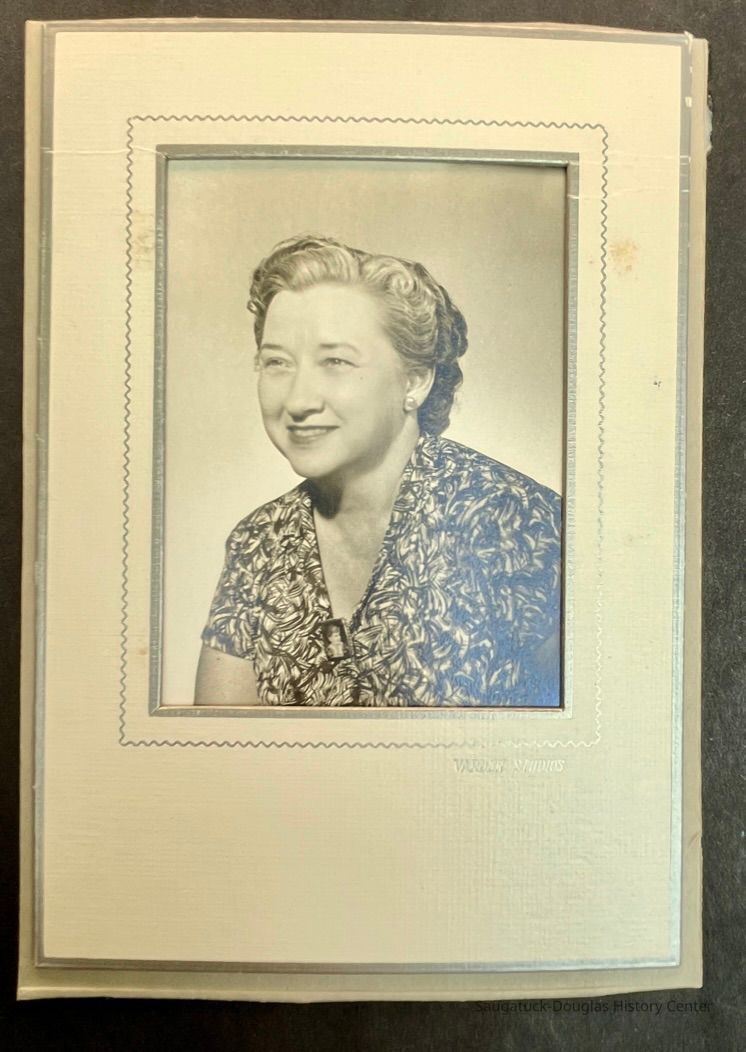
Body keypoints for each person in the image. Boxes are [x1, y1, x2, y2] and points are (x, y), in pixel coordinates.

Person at [194, 235, 561, 708]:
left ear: (415, 381)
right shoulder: (258, 544)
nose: (298, 401)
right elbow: (217, 742)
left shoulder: (517, 521)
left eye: (336, 361)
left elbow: (577, 733)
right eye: (277, 362)